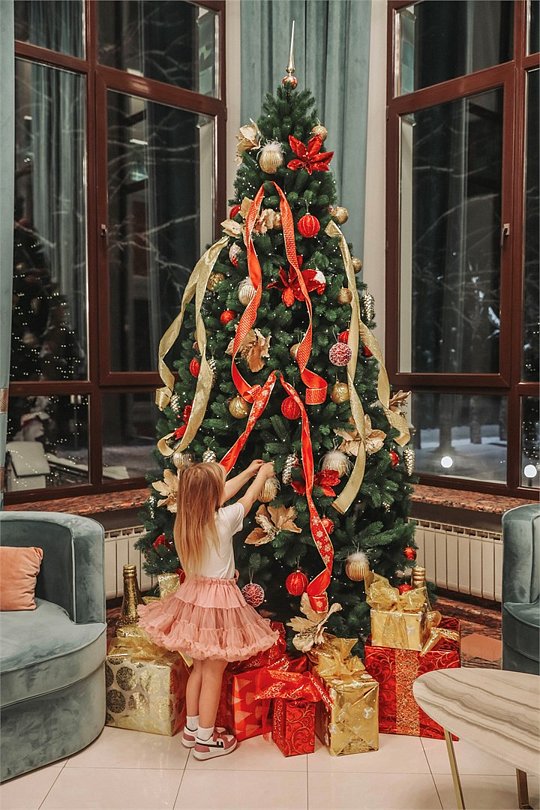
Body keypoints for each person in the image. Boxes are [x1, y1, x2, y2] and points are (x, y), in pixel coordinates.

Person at [138, 459, 279, 760]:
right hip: (219, 602)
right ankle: (206, 740)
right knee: (214, 671)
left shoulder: (186, 519)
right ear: (212, 494)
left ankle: (191, 731)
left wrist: (248, 471)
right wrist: (263, 475)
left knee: (199, 668)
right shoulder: (223, 519)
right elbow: (248, 499)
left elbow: (222, 492)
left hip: (194, 596)